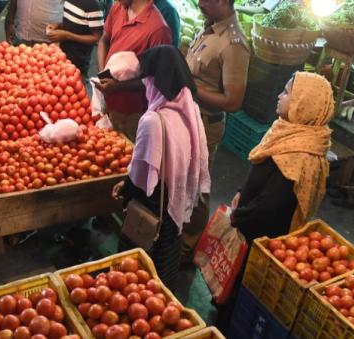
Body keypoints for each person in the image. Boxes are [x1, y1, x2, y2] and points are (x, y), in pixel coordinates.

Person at [215, 72, 334, 331]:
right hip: (251, 217)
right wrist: (240, 190)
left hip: (262, 235)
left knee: (241, 287)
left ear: (304, 103)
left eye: (287, 92)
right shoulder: (288, 130)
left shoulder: (302, 151)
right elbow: (262, 168)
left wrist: (237, 216)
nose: (279, 96)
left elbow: (271, 206)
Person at [112, 46, 210, 287]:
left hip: (152, 207)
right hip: (175, 206)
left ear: (154, 80)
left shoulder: (153, 121)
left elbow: (141, 180)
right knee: (164, 268)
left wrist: (123, 190)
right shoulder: (191, 110)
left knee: (137, 273)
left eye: (146, 79)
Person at [181, 0, 250, 262]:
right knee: (182, 180)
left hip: (205, 124)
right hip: (187, 116)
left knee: (197, 185)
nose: (200, 3)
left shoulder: (234, 45)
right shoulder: (208, 28)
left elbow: (233, 102)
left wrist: (192, 89)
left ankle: (188, 248)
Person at [96, 0, 172, 142]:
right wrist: (102, 74)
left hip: (133, 114)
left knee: (128, 157)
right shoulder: (119, 7)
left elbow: (157, 80)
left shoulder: (158, 30)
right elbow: (103, 40)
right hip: (108, 103)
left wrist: (118, 86)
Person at [47, 0, 104, 76]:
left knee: (76, 84)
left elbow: (97, 38)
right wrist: (58, 25)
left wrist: (67, 35)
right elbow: (74, 22)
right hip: (63, 55)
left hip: (79, 60)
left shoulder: (93, 4)